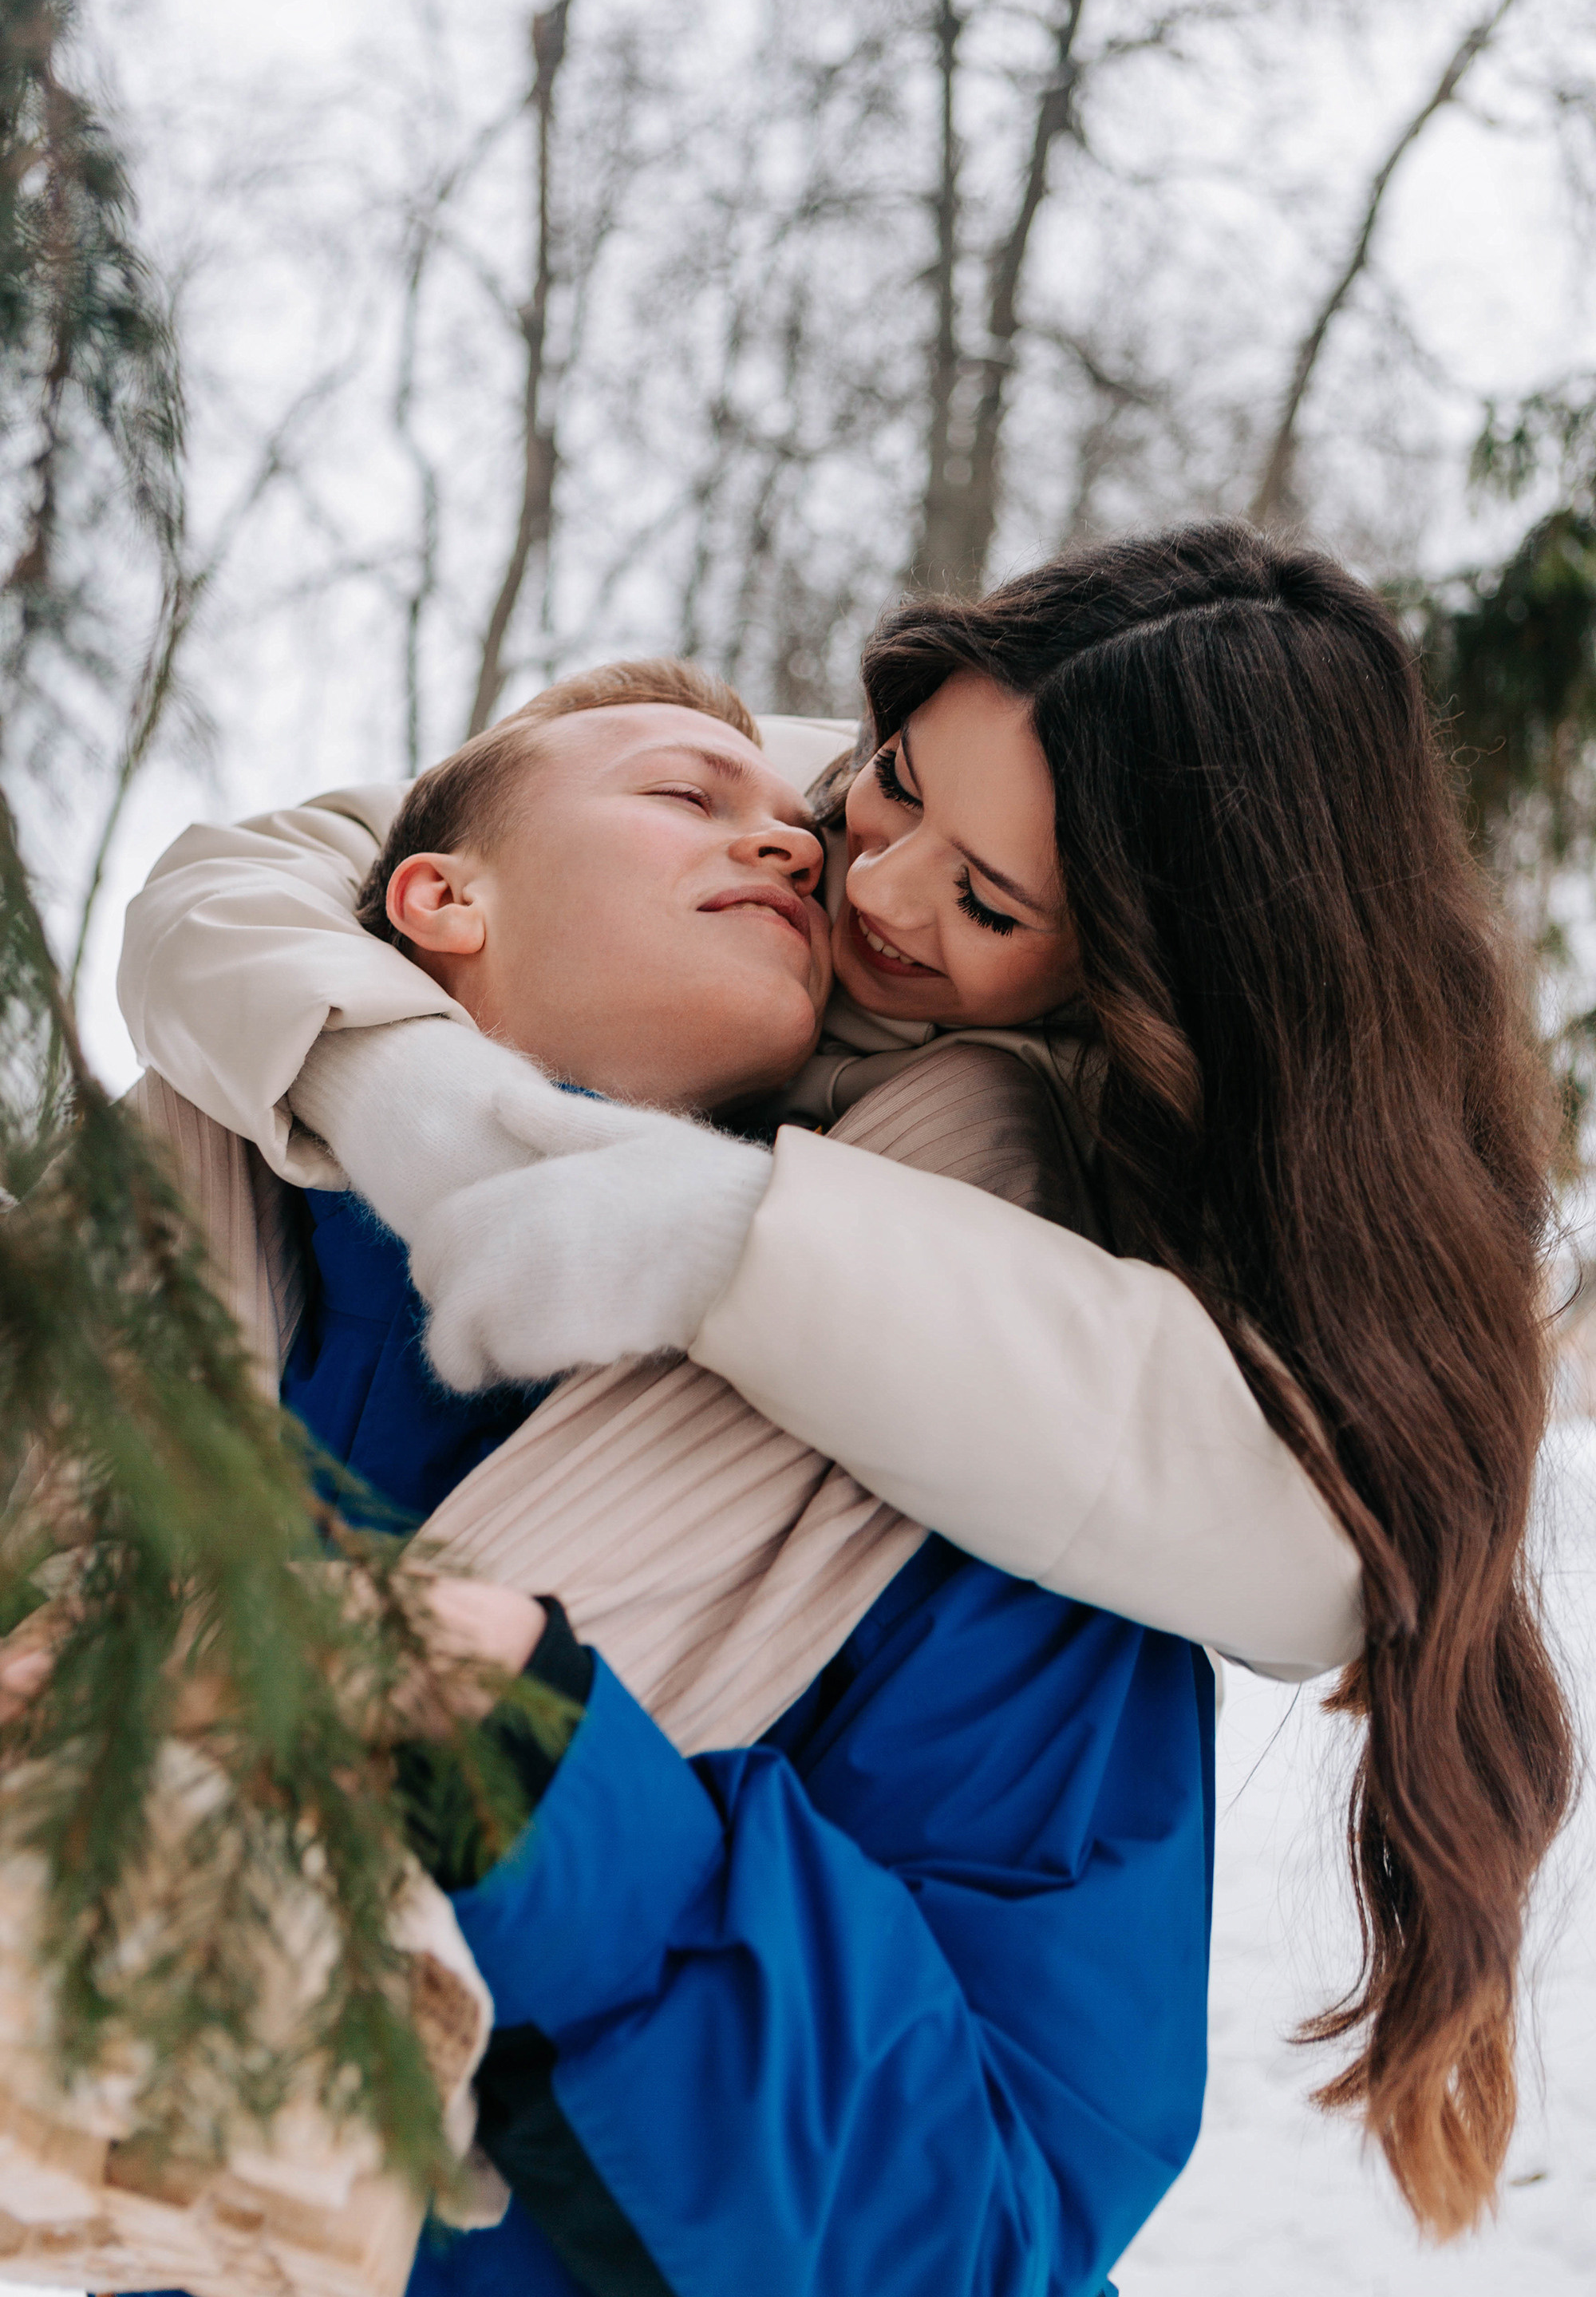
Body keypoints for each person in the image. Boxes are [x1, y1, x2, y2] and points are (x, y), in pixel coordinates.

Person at [118, 526, 1576, 2248]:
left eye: (989, 904)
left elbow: (980, 2223)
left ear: (1137, 992)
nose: (857, 884)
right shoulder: (172, 1259)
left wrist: (528, 1770)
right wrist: (396, 1089)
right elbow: (275, 876)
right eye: (890, 783)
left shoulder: (1010, 1511)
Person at [112, 657, 1221, 2297]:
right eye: (688, 797)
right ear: (437, 901)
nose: (798, 849)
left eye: (793, 822)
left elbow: (982, 2228)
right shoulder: (122, 1321)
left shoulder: (998, 1475)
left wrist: (529, 1759)